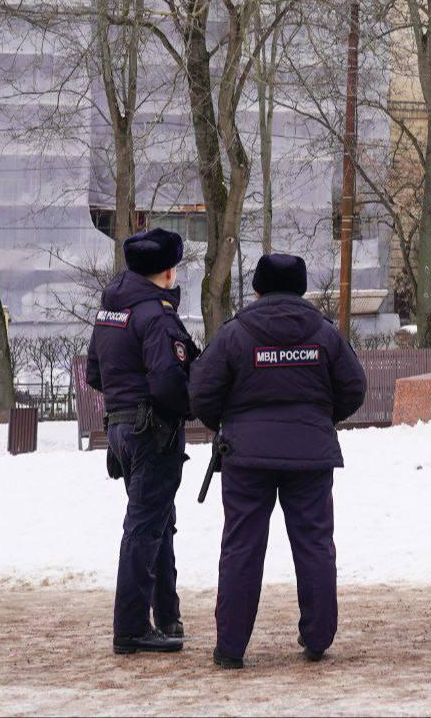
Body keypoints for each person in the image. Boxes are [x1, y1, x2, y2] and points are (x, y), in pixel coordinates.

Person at [190, 253, 367, 669]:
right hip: (310, 456)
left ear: (258, 287)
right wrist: (319, 420)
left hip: (245, 460)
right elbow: (354, 386)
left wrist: (228, 425)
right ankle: (318, 638)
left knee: (241, 548)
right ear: (302, 287)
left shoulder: (235, 334)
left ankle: (230, 647)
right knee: (314, 545)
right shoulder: (325, 334)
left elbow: (201, 392)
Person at [86, 228, 200, 655]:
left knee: (157, 524)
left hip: (120, 428)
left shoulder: (111, 311)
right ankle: (131, 627)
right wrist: (194, 404)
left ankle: (167, 616)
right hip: (152, 431)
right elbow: (170, 381)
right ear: (168, 271)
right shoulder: (156, 316)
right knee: (144, 529)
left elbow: (95, 373)